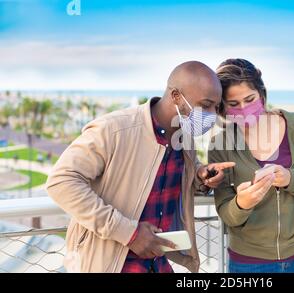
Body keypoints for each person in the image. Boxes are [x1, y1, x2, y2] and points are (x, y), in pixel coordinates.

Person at [46, 61, 235, 273]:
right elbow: (61, 181)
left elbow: (160, 174)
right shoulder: (114, 129)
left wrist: (199, 176)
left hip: (156, 260)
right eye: (206, 104)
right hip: (109, 263)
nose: (211, 114)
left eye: (215, 107)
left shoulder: (184, 136)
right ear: (176, 96)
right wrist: (130, 233)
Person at [208, 59, 294, 273]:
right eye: (233, 104)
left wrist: (290, 178)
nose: (244, 108)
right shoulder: (220, 145)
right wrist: (242, 203)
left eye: (250, 99)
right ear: (223, 108)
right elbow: (227, 214)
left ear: (262, 94)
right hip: (249, 262)